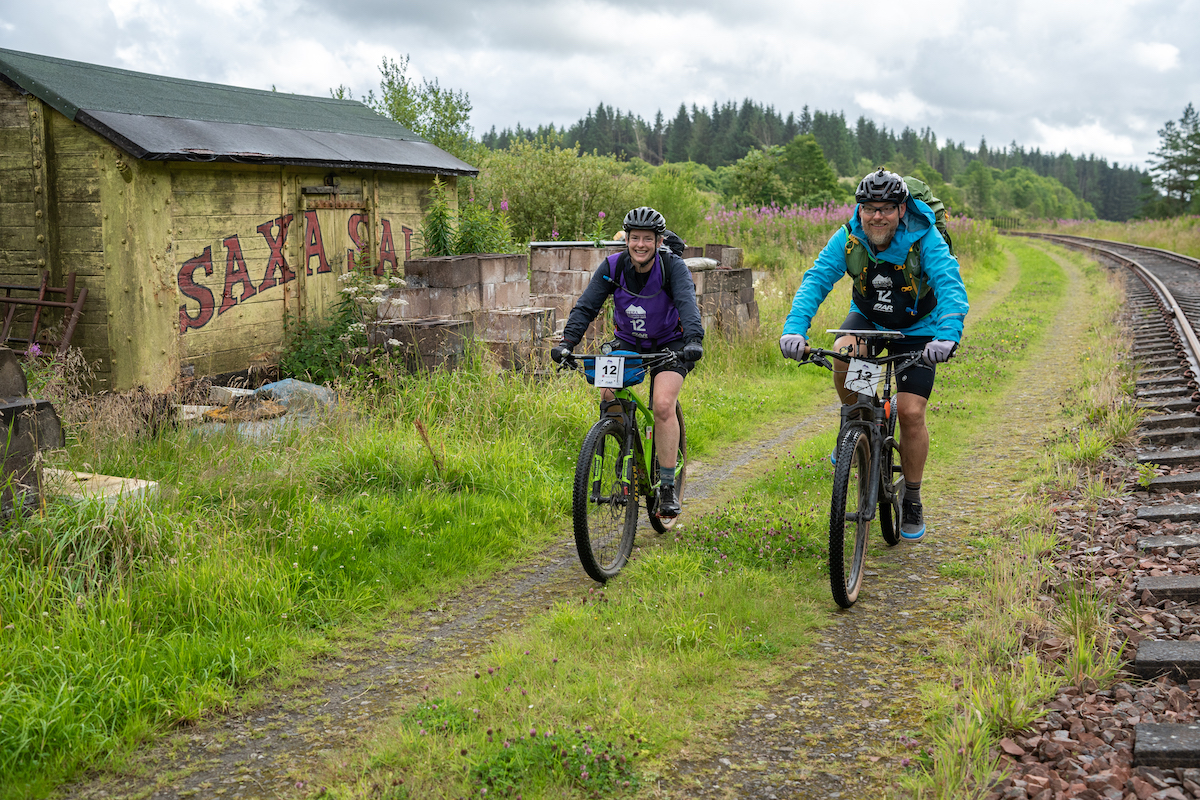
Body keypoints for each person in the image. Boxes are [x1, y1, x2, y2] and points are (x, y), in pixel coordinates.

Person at [779, 168, 968, 541]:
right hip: (868, 320)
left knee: (912, 412)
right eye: (869, 208)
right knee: (842, 353)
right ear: (859, 210)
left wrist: (946, 336)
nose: (876, 216)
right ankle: (855, 423)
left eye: (885, 208)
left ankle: (911, 496)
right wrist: (794, 329)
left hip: (918, 329)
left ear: (901, 210)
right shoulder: (848, 239)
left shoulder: (924, 238)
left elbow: (950, 284)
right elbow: (816, 280)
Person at [550, 207, 705, 518]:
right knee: (608, 395)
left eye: (648, 239)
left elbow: (687, 305)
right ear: (627, 240)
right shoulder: (613, 266)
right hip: (629, 342)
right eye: (635, 238)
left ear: (659, 241)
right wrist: (567, 342)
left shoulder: (673, 267)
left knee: (662, 405)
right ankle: (624, 446)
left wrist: (693, 340)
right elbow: (586, 307)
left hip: (671, 344)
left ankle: (665, 486)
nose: (640, 245)